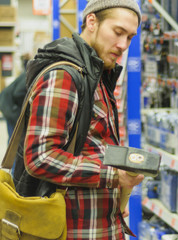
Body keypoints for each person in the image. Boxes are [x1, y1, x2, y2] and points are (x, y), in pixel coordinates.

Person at [12, 0, 144, 239]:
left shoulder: (96, 74)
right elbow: (41, 157)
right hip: (71, 229)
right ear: (91, 21)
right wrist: (114, 175)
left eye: (130, 37)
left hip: (96, 222)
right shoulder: (65, 76)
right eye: (117, 32)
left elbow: (93, 146)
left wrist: (115, 198)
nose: (123, 44)